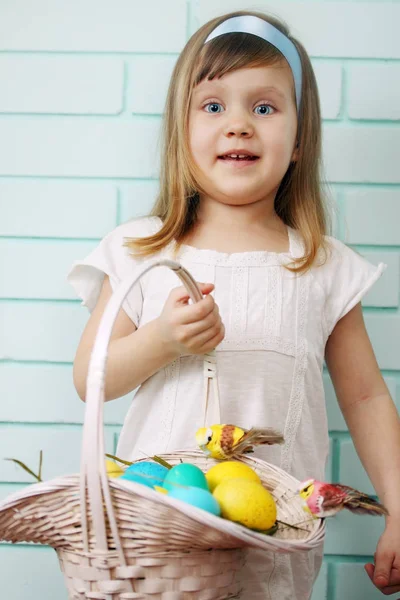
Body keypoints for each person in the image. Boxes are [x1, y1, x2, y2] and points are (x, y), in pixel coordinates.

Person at [68, 10, 400, 600]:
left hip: (274, 544)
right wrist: (160, 341)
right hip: (153, 540)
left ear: (299, 142)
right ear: (182, 129)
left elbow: (368, 395)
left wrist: (399, 506)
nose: (239, 125)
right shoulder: (142, 250)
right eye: (214, 106)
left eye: (265, 108)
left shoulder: (322, 265)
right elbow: (88, 378)